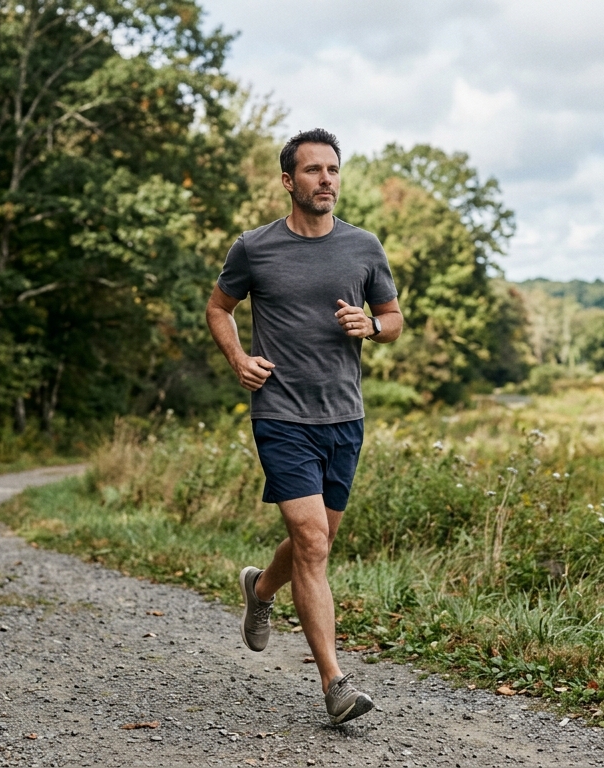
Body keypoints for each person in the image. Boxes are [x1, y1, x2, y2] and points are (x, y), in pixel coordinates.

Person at [205, 128, 403, 725]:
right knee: (313, 543)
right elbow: (219, 307)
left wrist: (369, 326)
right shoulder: (255, 248)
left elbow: (393, 319)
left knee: (317, 541)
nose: (327, 180)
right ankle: (334, 684)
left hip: (344, 415)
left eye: (334, 170)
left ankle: (261, 590)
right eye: (314, 171)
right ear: (289, 181)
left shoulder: (363, 247)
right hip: (281, 413)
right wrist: (239, 359)